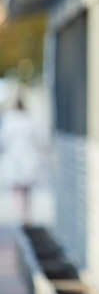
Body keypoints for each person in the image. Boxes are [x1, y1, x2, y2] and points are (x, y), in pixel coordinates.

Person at [0, 96, 47, 225]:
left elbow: (4, 140)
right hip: (28, 159)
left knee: (16, 189)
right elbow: (41, 139)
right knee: (26, 190)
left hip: (15, 159)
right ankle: (25, 216)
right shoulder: (30, 119)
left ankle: (20, 216)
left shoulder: (9, 120)